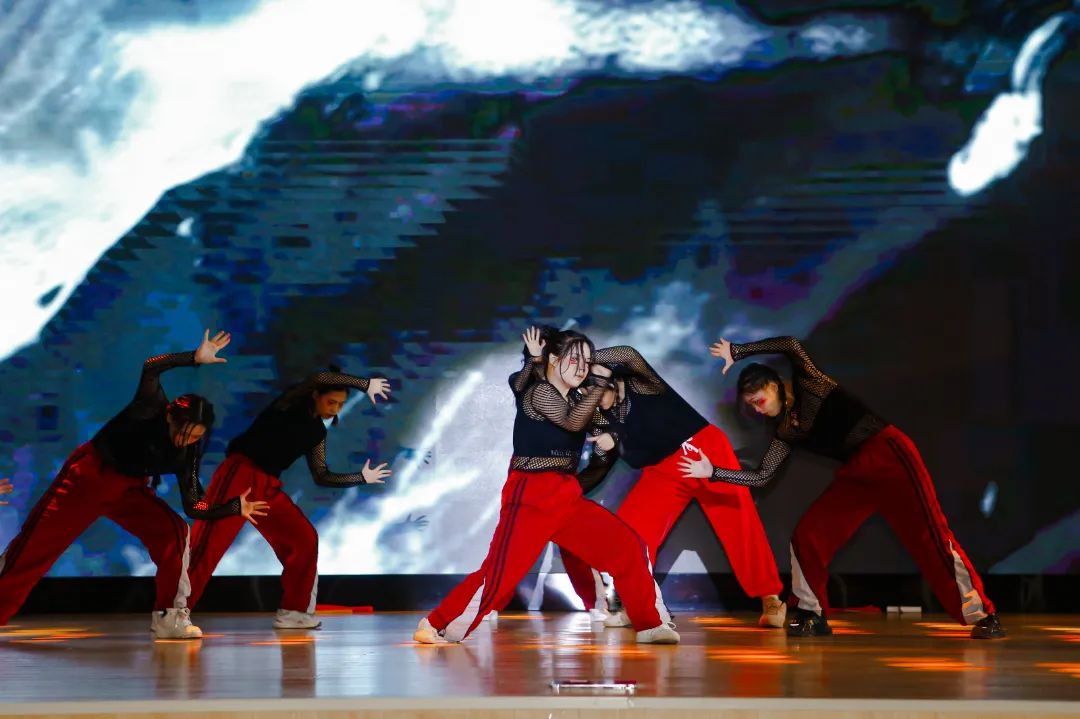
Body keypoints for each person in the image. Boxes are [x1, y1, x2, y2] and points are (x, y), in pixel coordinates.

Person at [683, 335, 1004, 639]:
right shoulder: (785, 430)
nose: (757, 410)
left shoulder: (811, 385)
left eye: (759, 401)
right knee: (808, 535)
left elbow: (791, 345)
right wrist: (713, 472)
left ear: (773, 386)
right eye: (751, 406)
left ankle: (983, 615)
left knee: (930, 535)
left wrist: (738, 351)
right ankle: (811, 614)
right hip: (858, 473)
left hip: (889, 456)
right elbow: (762, 475)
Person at [413, 327, 679, 645]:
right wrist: (598, 381)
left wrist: (613, 435)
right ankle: (436, 624)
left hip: (565, 494)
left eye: (587, 361)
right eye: (574, 359)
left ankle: (650, 624)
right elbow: (571, 421)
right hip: (531, 494)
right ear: (553, 360)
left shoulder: (579, 398)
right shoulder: (539, 392)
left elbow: (604, 424)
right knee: (500, 575)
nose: (582, 367)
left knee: (627, 547)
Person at [0, 331, 266, 639]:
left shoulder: (189, 451)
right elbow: (151, 367)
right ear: (171, 417)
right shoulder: (150, 407)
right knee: (36, 548)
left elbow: (194, 504)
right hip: (90, 478)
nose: (187, 440)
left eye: (196, 436)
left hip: (129, 490)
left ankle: (170, 617)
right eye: (185, 432)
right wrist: (193, 358)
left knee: (174, 532)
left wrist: (233, 507)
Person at [561, 344, 785, 629]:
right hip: (663, 469)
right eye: (584, 396)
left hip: (703, 449)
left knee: (738, 521)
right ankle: (637, 604)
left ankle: (770, 597)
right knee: (631, 532)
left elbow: (628, 354)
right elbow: (599, 467)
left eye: (594, 392)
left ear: (608, 381)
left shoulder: (641, 385)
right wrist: (564, 490)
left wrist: (576, 360)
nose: (591, 401)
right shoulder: (602, 418)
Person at [185, 366, 392, 629]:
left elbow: (322, 475)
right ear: (315, 395)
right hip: (240, 475)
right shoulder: (290, 404)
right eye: (331, 402)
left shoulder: (317, 432)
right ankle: (174, 612)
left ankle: (294, 613)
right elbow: (319, 377)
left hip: (267, 486)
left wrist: (360, 477)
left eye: (340, 404)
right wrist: (364, 384)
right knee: (208, 545)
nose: (335, 409)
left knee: (303, 539)